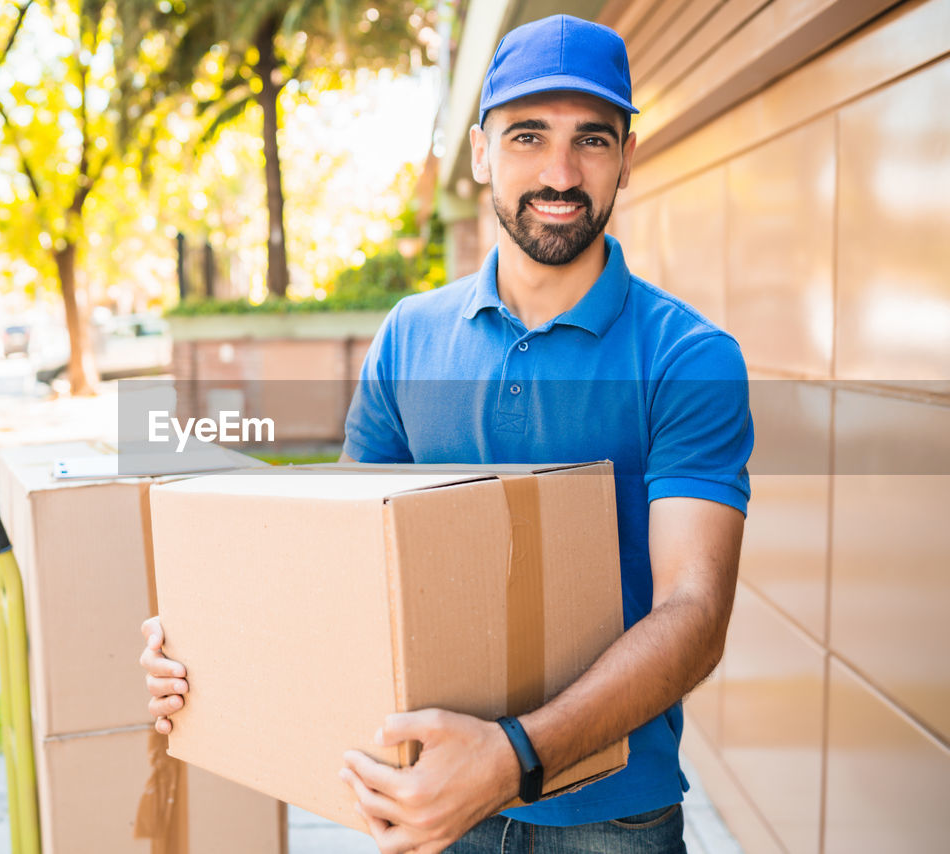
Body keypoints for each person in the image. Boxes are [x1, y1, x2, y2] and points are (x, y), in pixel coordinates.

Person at [141, 14, 753, 853]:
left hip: (611, 819)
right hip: (429, 801)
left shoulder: (690, 358)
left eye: (593, 141)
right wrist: (206, 647)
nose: (560, 172)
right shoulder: (409, 337)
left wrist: (511, 759)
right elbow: (345, 565)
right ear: (479, 152)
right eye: (528, 136)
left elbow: (696, 612)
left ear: (628, 156)